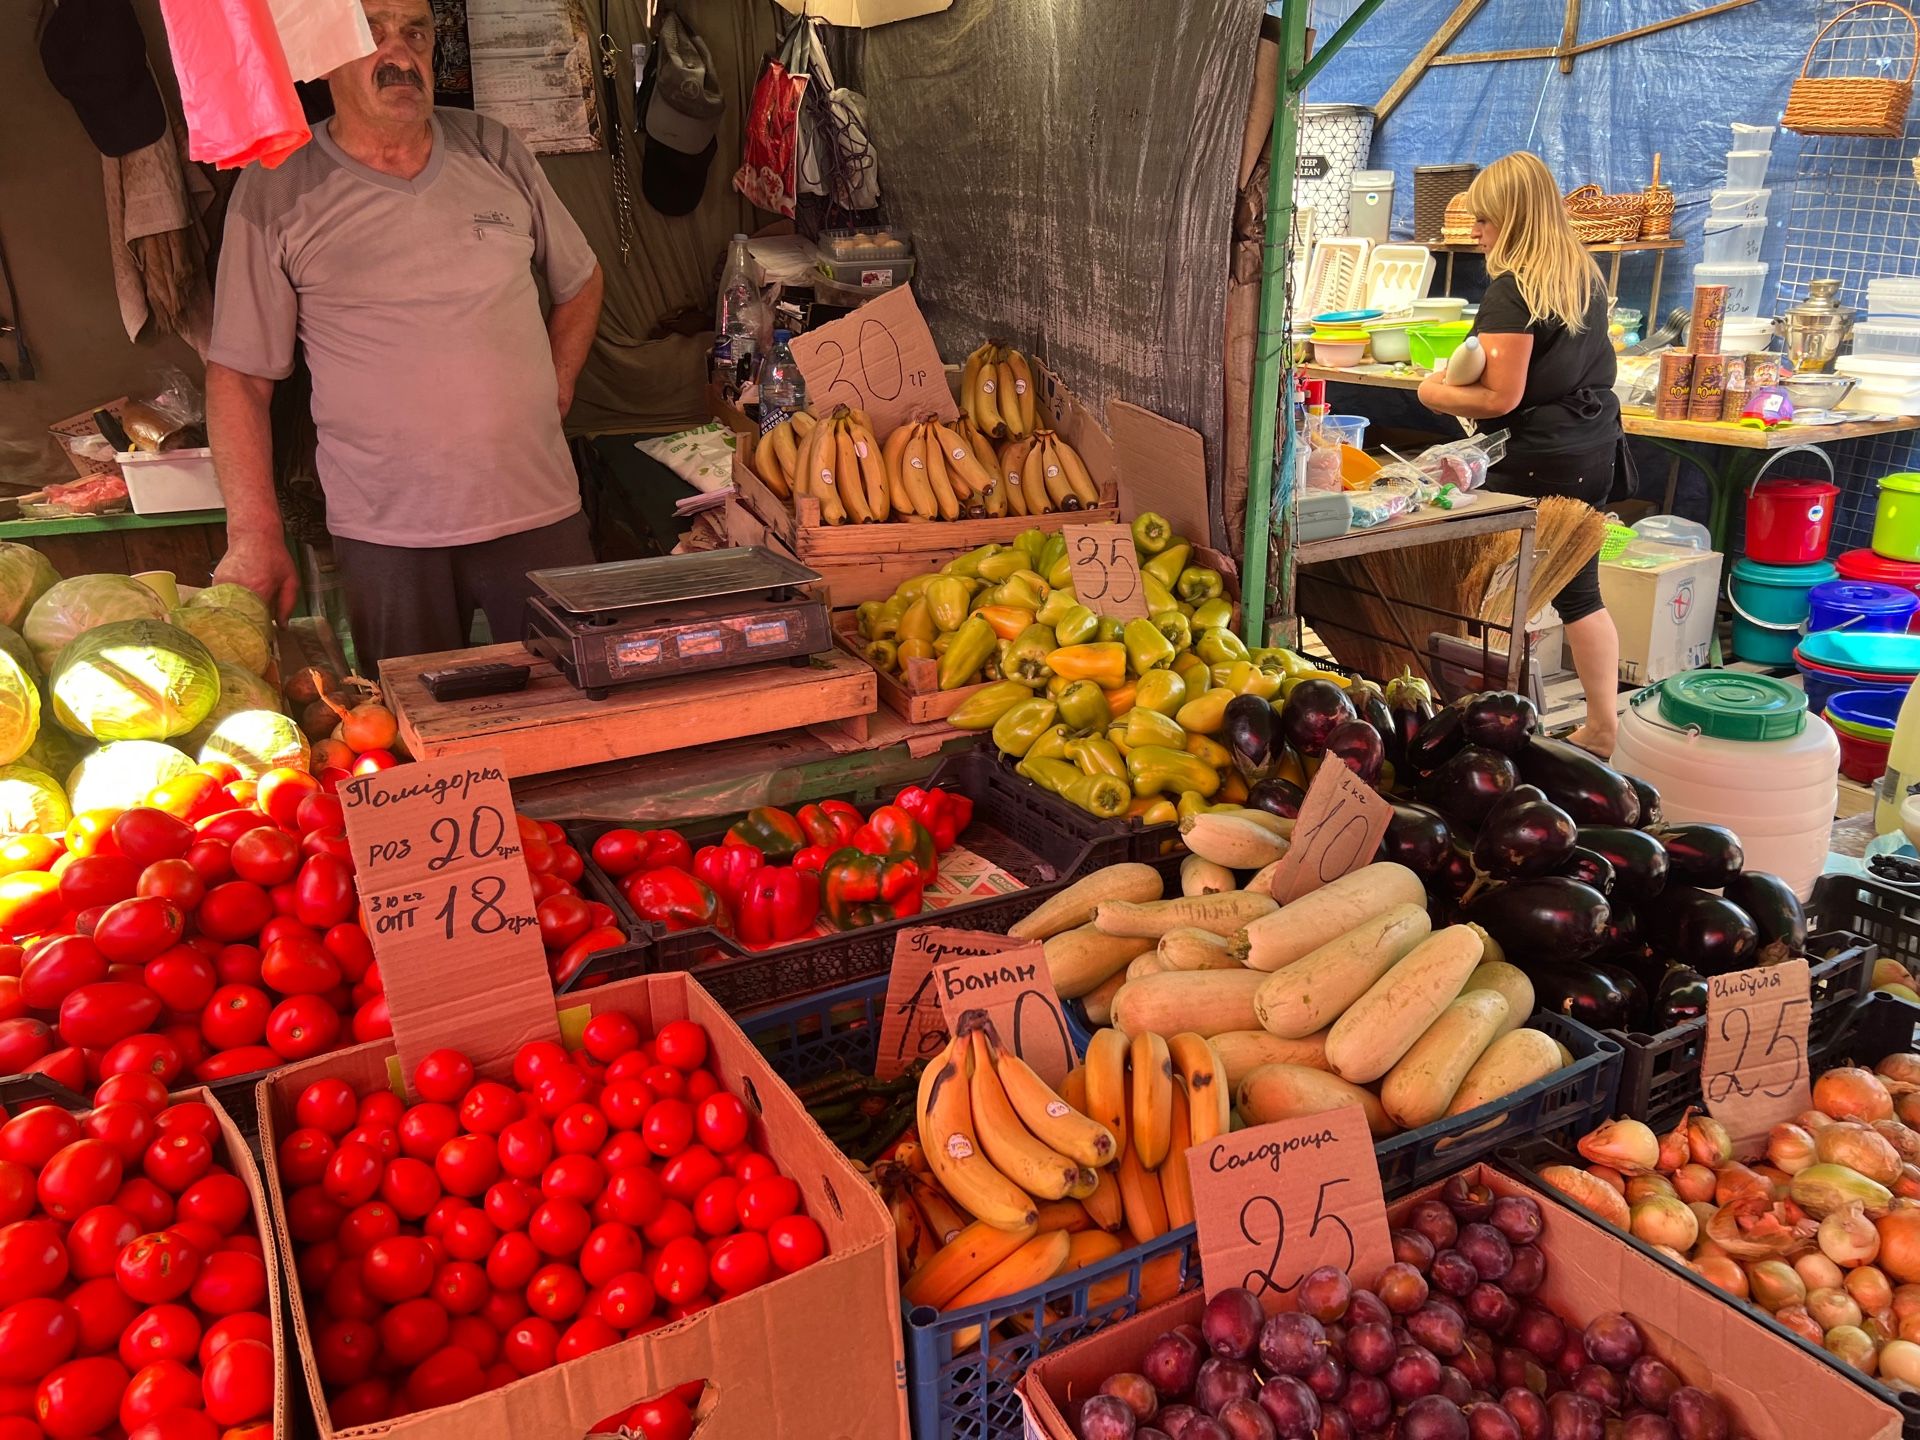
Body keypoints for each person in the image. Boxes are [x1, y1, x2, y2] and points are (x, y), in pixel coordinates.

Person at [205, 0, 606, 668]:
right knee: (421, 741)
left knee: (578, 708)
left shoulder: (494, 147)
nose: (400, 56)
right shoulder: (277, 187)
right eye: (370, 33)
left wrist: (556, 383)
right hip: (387, 535)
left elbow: (580, 281)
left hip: (539, 511)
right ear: (323, 58)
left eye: (415, 33)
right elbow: (241, 376)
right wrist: (253, 532)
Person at [1417, 151, 1624, 757]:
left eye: (1483, 222)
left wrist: (1432, 391)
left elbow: (1500, 398)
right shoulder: (1580, 275)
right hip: (1590, 448)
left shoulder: (1514, 291)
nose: (1478, 234)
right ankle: (1603, 728)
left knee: (1483, 590)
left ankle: (1483, 723)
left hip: (1532, 458)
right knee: (1578, 592)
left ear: (1510, 219)